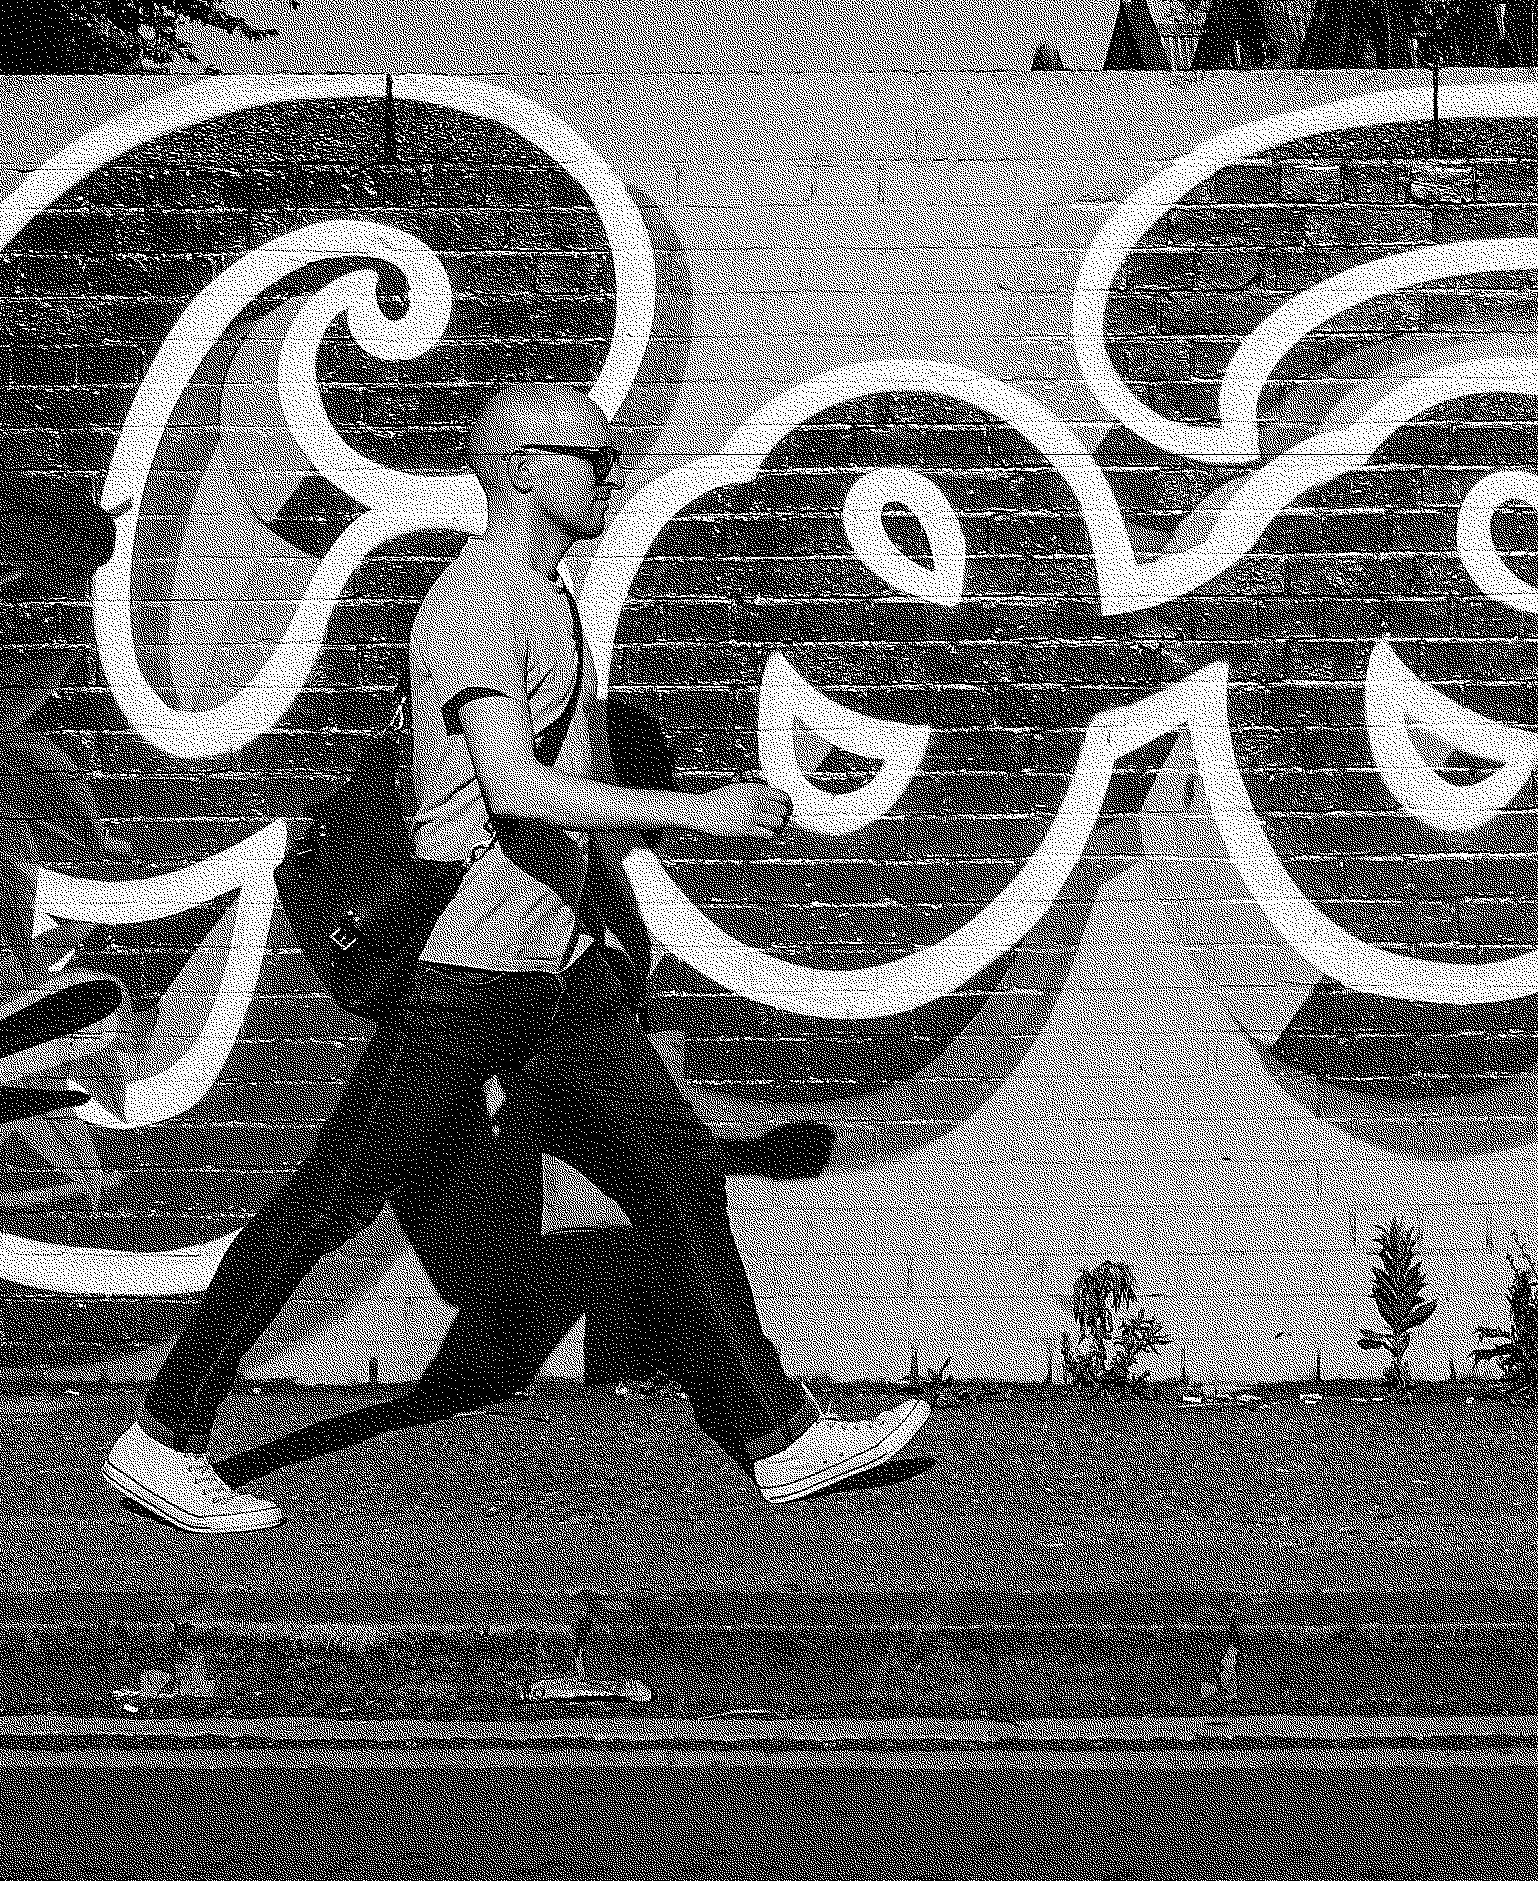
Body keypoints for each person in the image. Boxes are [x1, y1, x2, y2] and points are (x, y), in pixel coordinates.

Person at [101, 383, 930, 1531]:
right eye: (597, 455)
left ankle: (778, 1437)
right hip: (468, 970)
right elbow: (510, 784)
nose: (615, 470)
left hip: (554, 972)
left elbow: (568, 806)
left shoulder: (546, 599)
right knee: (335, 1196)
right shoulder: (476, 599)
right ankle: (163, 1433)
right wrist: (700, 813)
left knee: (677, 1168)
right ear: (523, 468)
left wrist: (601, 918)